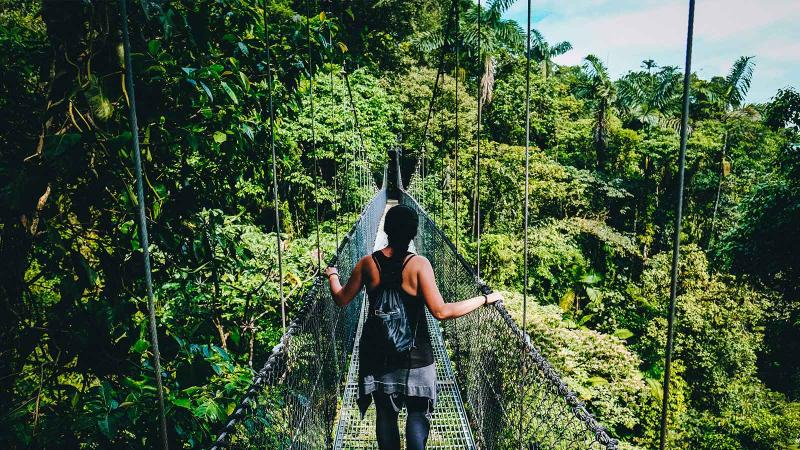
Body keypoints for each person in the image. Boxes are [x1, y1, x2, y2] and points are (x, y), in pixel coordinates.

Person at [324, 204, 502, 450]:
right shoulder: (420, 265)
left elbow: (342, 299)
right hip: (417, 359)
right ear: (413, 233)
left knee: (386, 418)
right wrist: (483, 299)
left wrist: (332, 275)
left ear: (386, 229)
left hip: (379, 358)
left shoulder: (368, 263)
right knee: (418, 417)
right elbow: (441, 312)